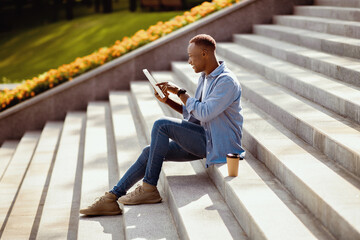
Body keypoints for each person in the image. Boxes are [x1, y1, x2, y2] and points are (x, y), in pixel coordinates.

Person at [79, 34, 245, 216]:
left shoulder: (226, 81)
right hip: (204, 137)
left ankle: (149, 188)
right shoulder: (205, 78)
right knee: (149, 151)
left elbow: (205, 112)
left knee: (161, 124)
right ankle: (112, 197)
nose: (189, 61)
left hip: (219, 146)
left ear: (205, 53)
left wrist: (181, 92)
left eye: (191, 56)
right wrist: (169, 101)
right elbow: (196, 115)